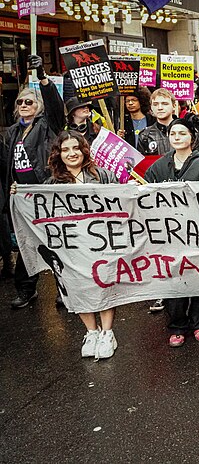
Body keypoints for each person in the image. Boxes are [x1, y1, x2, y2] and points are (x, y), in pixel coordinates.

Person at [144, 114, 199, 347]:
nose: (176, 137)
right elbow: (146, 196)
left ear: (192, 138)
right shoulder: (158, 167)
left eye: (182, 133)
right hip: (168, 236)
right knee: (173, 281)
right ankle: (177, 326)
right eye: (173, 134)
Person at [42, 131, 119, 358]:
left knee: (103, 286)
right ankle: (91, 331)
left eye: (75, 148)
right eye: (65, 150)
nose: (71, 153)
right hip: (71, 248)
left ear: (84, 150)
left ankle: (107, 332)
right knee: (79, 287)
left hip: (101, 244)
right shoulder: (51, 183)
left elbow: (121, 201)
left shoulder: (102, 175)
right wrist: (19, 195)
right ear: (59, 154)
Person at [4, 55, 65, 309]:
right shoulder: (12, 132)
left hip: (46, 192)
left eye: (30, 101)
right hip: (23, 196)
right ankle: (26, 290)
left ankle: (65, 289)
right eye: (20, 102)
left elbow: (54, 106)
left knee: (56, 243)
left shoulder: (47, 125)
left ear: (38, 105)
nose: (25, 105)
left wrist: (42, 77)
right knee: (28, 244)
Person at [137, 88, 178, 156]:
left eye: (165, 104)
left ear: (174, 106)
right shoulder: (145, 136)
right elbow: (143, 164)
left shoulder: (186, 131)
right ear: (151, 107)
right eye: (155, 104)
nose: (160, 108)